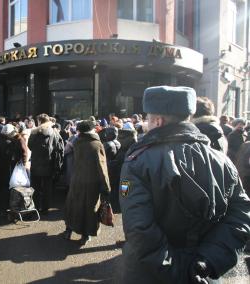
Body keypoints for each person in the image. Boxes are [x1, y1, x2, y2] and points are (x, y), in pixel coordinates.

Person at [119, 86, 250, 283]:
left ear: (158, 121)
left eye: (148, 118)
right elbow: (240, 216)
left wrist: (175, 269)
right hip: (203, 274)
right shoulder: (221, 160)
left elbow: (138, 228)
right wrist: (207, 261)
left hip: (150, 274)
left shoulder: (138, 161)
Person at [63, 120, 110, 245]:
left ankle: (68, 230)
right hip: (91, 182)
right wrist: (106, 187)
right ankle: (86, 235)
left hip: (76, 179)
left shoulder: (76, 142)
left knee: (73, 205)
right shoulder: (96, 144)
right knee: (89, 209)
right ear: (92, 130)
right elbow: (102, 167)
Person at [28, 113, 64, 214]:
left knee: (35, 187)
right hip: (49, 163)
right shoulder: (54, 132)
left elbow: (30, 145)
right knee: (47, 188)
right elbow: (60, 147)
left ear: (39, 121)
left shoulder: (34, 132)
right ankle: (45, 208)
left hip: (36, 163)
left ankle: (35, 207)